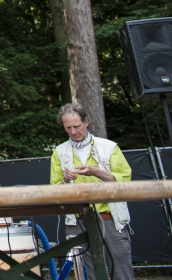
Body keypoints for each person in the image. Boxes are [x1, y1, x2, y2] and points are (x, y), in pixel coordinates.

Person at [49, 102, 133, 280]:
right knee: (89, 271)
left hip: (110, 218)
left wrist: (97, 172)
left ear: (86, 122)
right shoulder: (59, 152)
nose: (73, 132)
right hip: (78, 221)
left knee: (121, 270)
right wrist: (65, 180)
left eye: (77, 126)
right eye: (68, 128)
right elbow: (55, 191)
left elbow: (125, 181)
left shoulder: (109, 147)